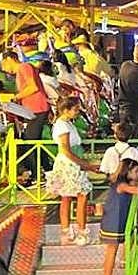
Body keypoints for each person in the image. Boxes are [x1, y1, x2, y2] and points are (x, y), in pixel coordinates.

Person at [46, 96, 97, 245]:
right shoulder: (62, 126)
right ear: (66, 110)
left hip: (70, 163)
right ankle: (81, 231)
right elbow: (66, 150)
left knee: (67, 197)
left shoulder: (67, 124)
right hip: (69, 164)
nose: (77, 112)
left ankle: (67, 230)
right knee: (81, 195)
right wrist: (84, 164)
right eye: (75, 109)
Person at [99, 157, 138, 275]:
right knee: (111, 251)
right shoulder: (121, 185)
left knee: (114, 249)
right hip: (113, 222)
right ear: (127, 172)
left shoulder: (119, 183)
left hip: (116, 220)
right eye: (136, 171)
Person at [1, 50, 50, 141]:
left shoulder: (24, 67)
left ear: (9, 59)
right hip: (31, 109)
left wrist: (16, 97)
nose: (3, 69)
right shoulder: (20, 71)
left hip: (37, 108)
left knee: (31, 139)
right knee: (28, 137)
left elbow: (33, 87)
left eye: (3, 65)